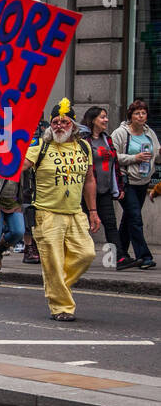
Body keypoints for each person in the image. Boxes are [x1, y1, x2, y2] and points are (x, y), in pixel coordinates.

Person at [25, 100, 100, 321]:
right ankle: (62, 307)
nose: (59, 125)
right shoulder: (40, 147)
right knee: (54, 262)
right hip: (46, 214)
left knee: (86, 254)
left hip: (75, 213)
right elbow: (19, 165)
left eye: (64, 122)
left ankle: (57, 284)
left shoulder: (84, 147)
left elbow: (89, 180)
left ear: (73, 124)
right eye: (55, 122)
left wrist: (93, 211)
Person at [110, 99, 157, 270]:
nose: (141, 116)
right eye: (137, 113)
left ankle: (119, 253)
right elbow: (112, 156)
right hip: (125, 181)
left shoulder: (149, 133)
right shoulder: (121, 133)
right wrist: (134, 158)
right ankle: (144, 257)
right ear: (131, 116)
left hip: (143, 182)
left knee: (129, 218)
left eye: (143, 113)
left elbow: (155, 155)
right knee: (135, 218)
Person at [82, 106, 121, 266]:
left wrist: (119, 186)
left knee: (110, 223)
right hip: (85, 192)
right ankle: (78, 257)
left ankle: (117, 258)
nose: (106, 120)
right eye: (102, 117)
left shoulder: (107, 139)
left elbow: (115, 164)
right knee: (82, 225)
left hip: (104, 190)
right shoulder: (84, 141)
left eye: (106, 117)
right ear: (92, 121)